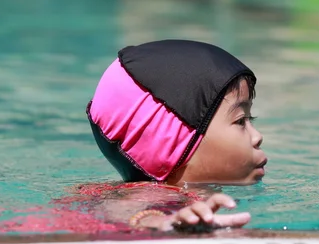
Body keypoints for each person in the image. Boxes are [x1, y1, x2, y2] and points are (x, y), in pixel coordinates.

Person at [86, 39, 267, 233]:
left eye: (251, 119)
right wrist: (161, 223)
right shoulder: (151, 195)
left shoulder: (191, 194)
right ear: (168, 145)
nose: (257, 137)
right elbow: (123, 213)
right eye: (241, 121)